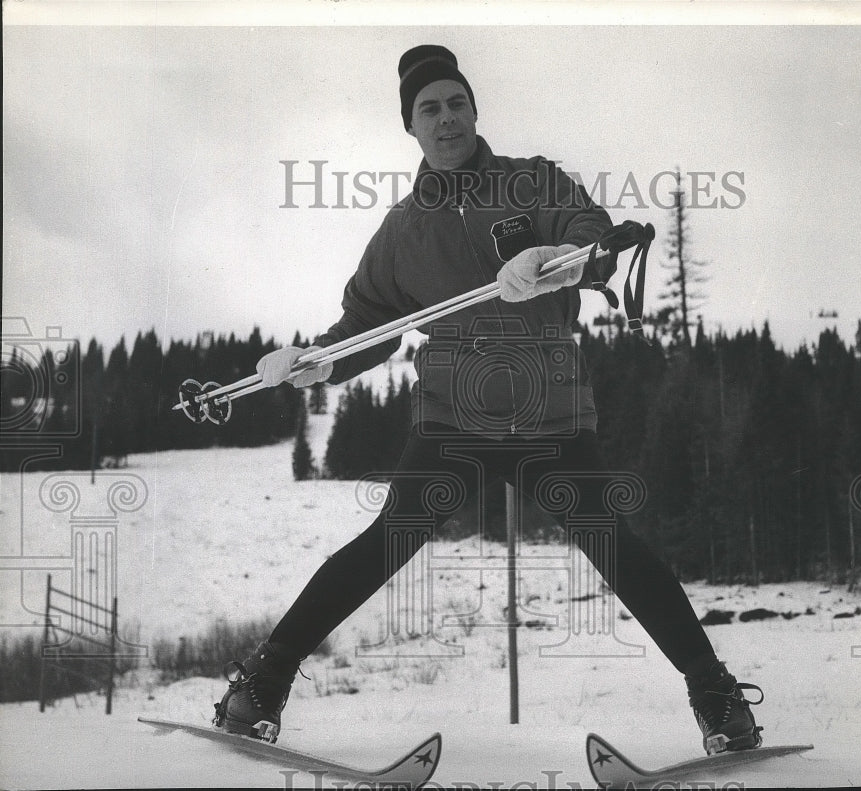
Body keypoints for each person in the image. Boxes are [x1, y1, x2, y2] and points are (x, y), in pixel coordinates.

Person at [212, 45, 763, 756]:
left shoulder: (533, 183)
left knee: (613, 546)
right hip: (453, 421)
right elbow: (366, 328)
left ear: (475, 108)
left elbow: (593, 239)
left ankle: (719, 700)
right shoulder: (403, 232)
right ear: (410, 126)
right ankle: (258, 684)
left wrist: (552, 262)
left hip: (551, 414)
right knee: (388, 541)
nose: (447, 119)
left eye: (457, 103)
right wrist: (312, 362)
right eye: (429, 109)